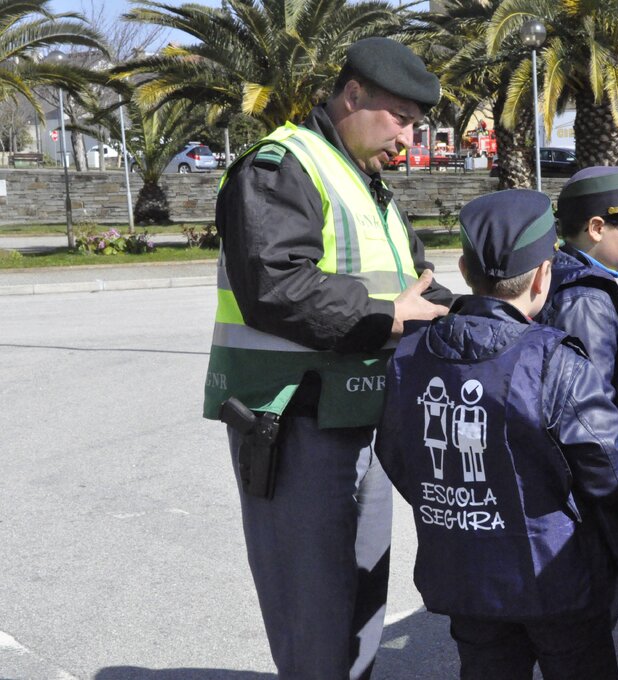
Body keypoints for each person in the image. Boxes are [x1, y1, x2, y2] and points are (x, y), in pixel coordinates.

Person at [202, 37, 453, 679]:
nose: (408, 139)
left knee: (361, 600)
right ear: (354, 95)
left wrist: (491, 315)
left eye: (417, 125)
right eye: (401, 119)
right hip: (294, 425)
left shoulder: (365, 183)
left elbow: (415, 283)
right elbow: (275, 285)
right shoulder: (282, 165)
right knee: (313, 607)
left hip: (357, 416)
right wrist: (385, 316)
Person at [375, 189, 618, 680]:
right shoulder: (552, 358)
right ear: (545, 276)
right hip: (555, 580)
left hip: (464, 574)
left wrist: (460, 503)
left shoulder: (413, 354)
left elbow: (399, 453)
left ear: (463, 269)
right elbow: (607, 462)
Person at [535, 166, 618, 623]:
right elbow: (590, 418)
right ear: (596, 228)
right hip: (600, 501)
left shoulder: (580, 284)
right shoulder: (585, 300)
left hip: (599, 492)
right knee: (588, 630)